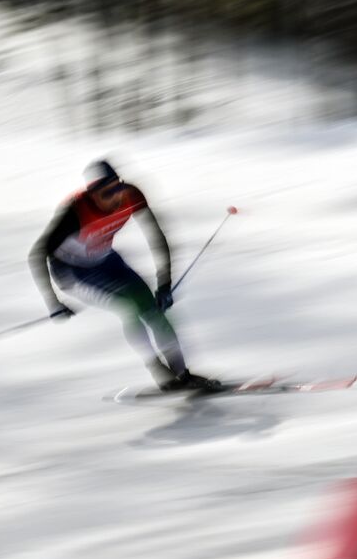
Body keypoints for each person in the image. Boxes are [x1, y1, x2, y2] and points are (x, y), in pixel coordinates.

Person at [30, 160, 220, 391]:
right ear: (93, 195)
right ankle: (162, 374)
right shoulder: (74, 212)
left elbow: (157, 237)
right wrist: (53, 303)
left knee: (152, 308)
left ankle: (183, 375)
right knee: (130, 307)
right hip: (71, 271)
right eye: (107, 192)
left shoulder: (131, 194)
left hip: (106, 259)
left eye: (118, 186)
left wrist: (164, 284)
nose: (116, 196)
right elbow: (37, 253)